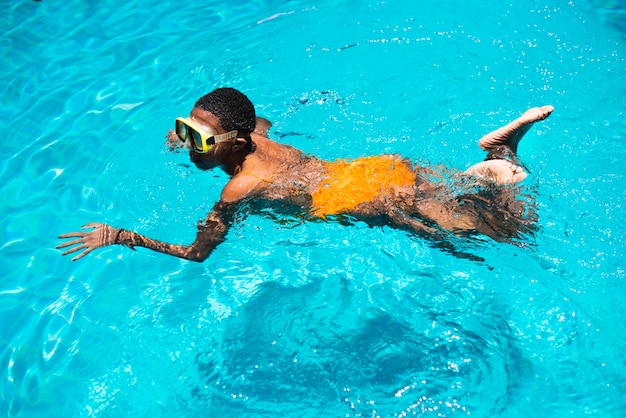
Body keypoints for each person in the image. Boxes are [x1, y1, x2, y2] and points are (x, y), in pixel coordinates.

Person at [57, 87, 553, 262]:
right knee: (459, 193)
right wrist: (190, 134)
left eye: (202, 138)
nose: (191, 145)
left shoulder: (239, 187)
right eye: (185, 130)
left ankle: (500, 159)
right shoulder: (258, 133)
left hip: (369, 201)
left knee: (510, 234)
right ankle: (497, 159)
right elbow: (261, 119)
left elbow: (195, 254)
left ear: (236, 140)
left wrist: (122, 236)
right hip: (374, 170)